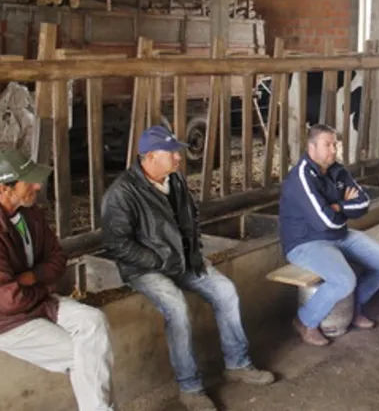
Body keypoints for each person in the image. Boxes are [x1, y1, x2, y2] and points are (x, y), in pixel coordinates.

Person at [101, 125, 274, 411]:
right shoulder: (121, 193)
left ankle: (237, 363)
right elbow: (118, 245)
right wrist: (157, 261)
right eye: (172, 153)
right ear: (151, 156)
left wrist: (193, 253)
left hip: (182, 260)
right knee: (176, 308)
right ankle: (190, 387)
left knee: (225, 290)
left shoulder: (175, 181)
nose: (179, 158)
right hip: (146, 269)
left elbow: (190, 219)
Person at [0, 148, 114, 411]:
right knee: (86, 355)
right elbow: (5, 301)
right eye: (30, 181)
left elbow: (57, 257)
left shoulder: (27, 210)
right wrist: (42, 287)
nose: (38, 186)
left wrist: (34, 277)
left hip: (33, 300)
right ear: (4, 188)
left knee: (94, 323)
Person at [279, 124, 379, 347]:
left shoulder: (338, 171)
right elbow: (324, 221)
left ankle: (354, 309)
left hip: (339, 235)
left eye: (335, 144)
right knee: (344, 280)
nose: (333, 150)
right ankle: (305, 321)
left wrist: (336, 206)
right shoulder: (301, 178)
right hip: (306, 242)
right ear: (311, 147)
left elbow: (364, 203)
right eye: (328, 145)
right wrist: (343, 206)